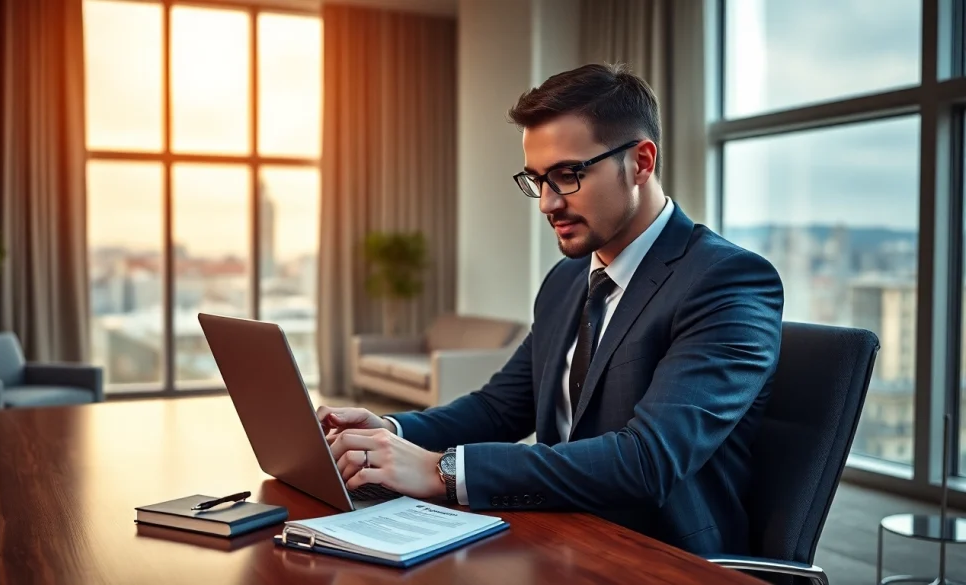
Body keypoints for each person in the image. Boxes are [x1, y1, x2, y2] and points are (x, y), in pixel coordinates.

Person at [317, 62, 784, 556]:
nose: (546, 203)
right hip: (553, 535)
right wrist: (391, 431)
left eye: (567, 175)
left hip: (656, 555)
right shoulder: (566, 279)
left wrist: (441, 469)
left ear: (641, 163)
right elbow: (500, 408)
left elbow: (648, 461)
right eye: (537, 179)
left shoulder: (728, 281)